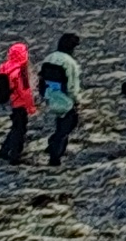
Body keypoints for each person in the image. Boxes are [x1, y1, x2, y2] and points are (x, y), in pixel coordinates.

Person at [34, 31, 87, 167]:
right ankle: (55, 156)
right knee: (66, 128)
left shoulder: (49, 58)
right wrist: (77, 101)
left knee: (60, 125)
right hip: (66, 100)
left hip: (51, 96)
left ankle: (53, 145)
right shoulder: (70, 63)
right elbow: (72, 86)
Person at [0, 40, 38, 169]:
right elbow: (25, 91)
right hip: (19, 103)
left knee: (15, 128)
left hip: (9, 102)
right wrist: (31, 107)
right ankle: (15, 155)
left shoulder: (5, 67)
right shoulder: (21, 71)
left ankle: (3, 152)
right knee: (20, 129)